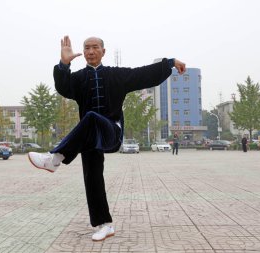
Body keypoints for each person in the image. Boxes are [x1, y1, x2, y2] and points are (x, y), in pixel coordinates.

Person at [28, 35, 186, 241]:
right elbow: (63, 87)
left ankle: (55, 158)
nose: (90, 51)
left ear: (103, 51)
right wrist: (63, 65)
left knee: (92, 117)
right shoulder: (78, 79)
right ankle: (104, 225)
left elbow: (144, 74)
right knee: (92, 178)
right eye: (86, 48)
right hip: (88, 138)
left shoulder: (116, 75)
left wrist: (170, 62)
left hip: (112, 132)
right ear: (83, 53)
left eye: (95, 47)